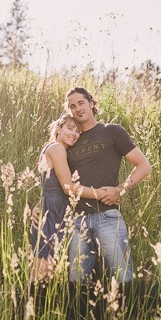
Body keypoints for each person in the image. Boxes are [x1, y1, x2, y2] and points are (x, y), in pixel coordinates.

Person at [32, 87, 152, 288]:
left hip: (107, 217)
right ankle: (82, 319)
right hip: (76, 221)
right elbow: (59, 181)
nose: (77, 108)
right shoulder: (69, 143)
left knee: (123, 277)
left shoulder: (112, 132)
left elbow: (144, 165)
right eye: (72, 106)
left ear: (91, 103)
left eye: (81, 102)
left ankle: (126, 318)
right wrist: (40, 204)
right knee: (77, 283)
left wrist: (120, 190)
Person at [30, 112, 110, 284]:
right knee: (41, 277)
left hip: (54, 211)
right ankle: (26, 309)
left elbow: (49, 187)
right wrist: (102, 194)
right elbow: (67, 188)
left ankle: (34, 308)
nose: (74, 134)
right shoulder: (57, 148)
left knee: (46, 277)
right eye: (70, 128)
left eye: (78, 131)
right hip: (52, 215)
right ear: (58, 128)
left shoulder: (56, 150)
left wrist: (38, 205)